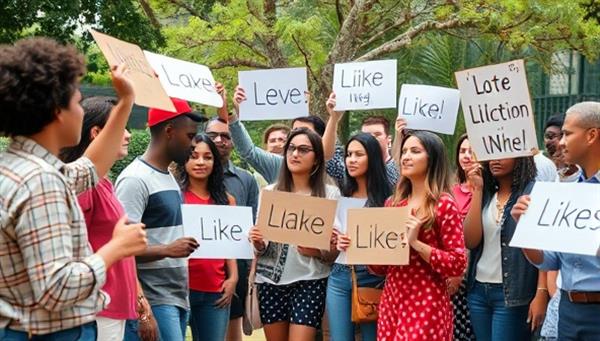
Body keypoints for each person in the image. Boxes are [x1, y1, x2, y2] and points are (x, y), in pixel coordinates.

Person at [0, 38, 147, 339]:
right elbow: (57, 288)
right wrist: (116, 248)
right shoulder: (41, 181)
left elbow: (89, 168)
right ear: (57, 111)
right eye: (78, 102)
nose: (82, 111)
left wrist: (125, 102)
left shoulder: (18, 167)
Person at [60, 97, 158, 341]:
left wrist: (138, 295)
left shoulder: (104, 182)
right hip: (95, 306)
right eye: (122, 127)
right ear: (96, 133)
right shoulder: (84, 186)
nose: (128, 135)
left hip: (113, 305)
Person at [116, 97, 205, 341]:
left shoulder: (167, 176)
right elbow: (122, 249)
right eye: (189, 136)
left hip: (177, 296)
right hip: (154, 299)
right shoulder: (134, 180)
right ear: (169, 131)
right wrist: (144, 309)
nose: (193, 145)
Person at [511, 102, 600, 340]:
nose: (560, 143)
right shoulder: (567, 189)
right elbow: (549, 260)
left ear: (592, 135)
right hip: (568, 310)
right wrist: (525, 229)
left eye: (568, 134)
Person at [369, 130, 467, 341]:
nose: (405, 157)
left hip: (426, 301)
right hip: (392, 299)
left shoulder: (444, 204)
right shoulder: (393, 204)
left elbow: (458, 264)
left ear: (432, 158)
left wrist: (416, 243)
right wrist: (363, 249)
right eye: (404, 151)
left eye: (415, 151)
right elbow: (380, 269)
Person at [248, 128, 340, 341]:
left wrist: (318, 250)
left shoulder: (329, 193)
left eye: (303, 149)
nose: (295, 154)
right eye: (291, 148)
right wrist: (258, 242)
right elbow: (259, 246)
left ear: (316, 159)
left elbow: (334, 249)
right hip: (270, 282)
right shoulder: (269, 192)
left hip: (310, 280)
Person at [462, 151, 548, 340]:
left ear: (521, 157)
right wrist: (477, 190)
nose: (495, 159)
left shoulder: (532, 193)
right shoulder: (486, 193)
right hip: (478, 291)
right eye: (490, 154)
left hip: (512, 294)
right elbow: (470, 240)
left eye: (503, 153)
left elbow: (543, 246)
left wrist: (541, 292)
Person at [173, 134, 239, 341]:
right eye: (194, 156)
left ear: (215, 162)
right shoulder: (174, 197)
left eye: (207, 157)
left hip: (216, 290)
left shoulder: (227, 200)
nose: (200, 162)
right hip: (180, 289)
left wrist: (233, 277)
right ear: (184, 161)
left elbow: (230, 244)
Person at [331, 133, 391, 341]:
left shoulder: (388, 199)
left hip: (373, 277)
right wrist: (336, 242)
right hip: (339, 274)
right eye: (348, 154)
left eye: (359, 154)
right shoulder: (339, 195)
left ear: (372, 158)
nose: (351, 160)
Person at [218, 85, 345, 185]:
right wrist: (236, 114)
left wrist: (334, 118)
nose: (299, 136)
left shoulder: (331, 171)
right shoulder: (279, 166)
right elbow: (249, 152)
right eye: (295, 131)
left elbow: (325, 154)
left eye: (306, 131)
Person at [322, 93, 400, 188]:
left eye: (377, 135)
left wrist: (400, 135)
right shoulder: (349, 171)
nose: (371, 139)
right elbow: (326, 157)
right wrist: (334, 118)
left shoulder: (394, 173)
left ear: (388, 139)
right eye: (366, 135)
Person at [448, 134, 476, 340]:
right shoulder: (450, 189)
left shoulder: (489, 189)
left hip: (474, 271)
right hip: (451, 272)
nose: (466, 156)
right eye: (462, 151)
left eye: (471, 151)